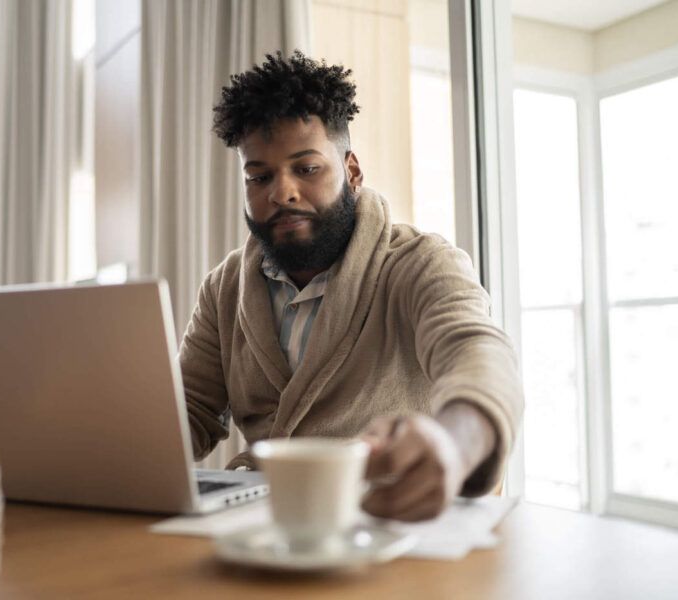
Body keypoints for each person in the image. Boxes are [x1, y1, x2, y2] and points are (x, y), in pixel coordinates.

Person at [179, 51, 523, 522]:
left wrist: (452, 443)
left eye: (306, 168)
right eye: (259, 176)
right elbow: (190, 409)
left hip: (385, 519)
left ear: (352, 172)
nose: (281, 192)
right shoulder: (224, 287)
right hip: (262, 523)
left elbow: (480, 357)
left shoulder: (420, 263)